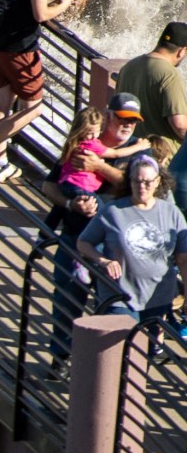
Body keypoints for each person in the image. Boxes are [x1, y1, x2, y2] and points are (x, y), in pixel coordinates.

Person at [78, 154, 187, 319]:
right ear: (130, 181)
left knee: (153, 343)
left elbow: (183, 258)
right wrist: (103, 261)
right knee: (122, 342)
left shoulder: (171, 212)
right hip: (119, 295)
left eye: (148, 182)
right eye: (137, 181)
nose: (142, 186)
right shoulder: (112, 211)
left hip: (158, 295)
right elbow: (83, 242)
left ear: (157, 182)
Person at [114, 21, 187, 209]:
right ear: (181, 51)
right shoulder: (168, 74)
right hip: (163, 161)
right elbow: (179, 123)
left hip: (132, 156)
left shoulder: (129, 67)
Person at [0, 0, 67, 155]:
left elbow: (23, 3)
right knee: (33, 109)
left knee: (2, 104)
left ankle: (0, 162)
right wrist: (64, 4)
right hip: (20, 50)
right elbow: (41, 15)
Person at [43, 181, 100, 363]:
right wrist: (70, 203)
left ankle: (101, 365)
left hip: (112, 241)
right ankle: (61, 356)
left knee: (109, 307)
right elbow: (49, 185)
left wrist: (99, 167)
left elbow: (129, 185)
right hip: (73, 235)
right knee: (67, 300)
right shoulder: (79, 152)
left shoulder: (134, 153)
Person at [58, 106, 123, 194]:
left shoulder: (74, 144)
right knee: (96, 206)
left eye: (97, 132)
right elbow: (116, 153)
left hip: (66, 182)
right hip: (81, 185)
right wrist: (138, 146)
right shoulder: (90, 144)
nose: (93, 136)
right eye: (89, 133)